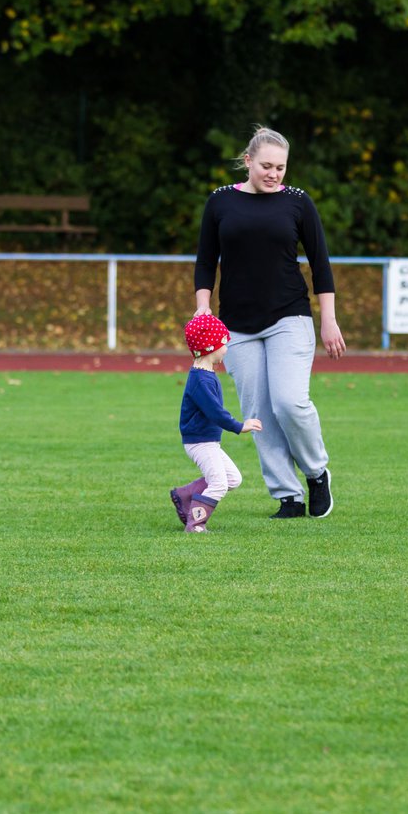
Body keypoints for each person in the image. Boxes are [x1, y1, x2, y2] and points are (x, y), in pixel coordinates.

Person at [193, 125, 346, 520]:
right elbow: (206, 261)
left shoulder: (298, 202)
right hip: (237, 326)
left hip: (289, 315)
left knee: (289, 402)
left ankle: (315, 472)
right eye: (266, 166)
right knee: (258, 412)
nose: (274, 174)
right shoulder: (220, 202)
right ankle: (288, 495)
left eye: (280, 167)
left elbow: (321, 264)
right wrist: (203, 307)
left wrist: (328, 320)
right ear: (248, 161)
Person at [170, 313, 263, 533]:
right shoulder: (201, 380)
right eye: (224, 343)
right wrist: (240, 426)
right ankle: (196, 524)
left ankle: (184, 495)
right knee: (219, 484)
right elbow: (215, 413)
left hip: (208, 441)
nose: (227, 349)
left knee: (233, 478)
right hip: (200, 442)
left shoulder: (206, 374)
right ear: (210, 346)